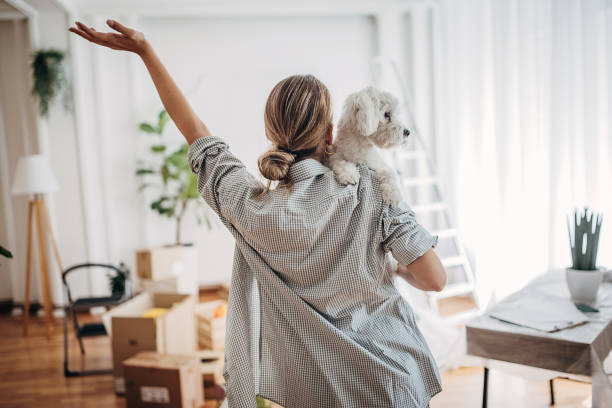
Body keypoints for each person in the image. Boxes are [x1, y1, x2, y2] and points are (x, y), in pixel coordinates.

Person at [69, 20, 447, 408]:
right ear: (330, 134)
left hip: (315, 393)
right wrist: (389, 267)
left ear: (273, 135)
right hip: (393, 383)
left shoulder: (250, 210)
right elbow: (434, 279)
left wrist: (146, 52)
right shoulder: (373, 185)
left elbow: (197, 133)